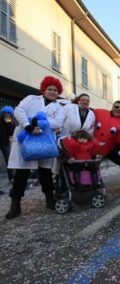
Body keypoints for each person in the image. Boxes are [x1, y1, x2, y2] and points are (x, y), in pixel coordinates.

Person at [6, 76, 65, 219]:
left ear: (58, 93)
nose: (52, 92)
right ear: (44, 89)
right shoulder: (31, 99)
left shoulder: (59, 107)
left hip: (44, 141)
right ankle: (15, 205)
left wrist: (38, 123)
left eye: (55, 90)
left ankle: (49, 200)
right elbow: (19, 111)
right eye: (49, 89)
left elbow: (58, 123)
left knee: (45, 173)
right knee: (21, 173)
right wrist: (28, 126)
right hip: (26, 139)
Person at [93, 101, 120, 195]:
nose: (118, 109)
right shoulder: (100, 112)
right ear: (112, 107)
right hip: (93, 147)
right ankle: (94, 186)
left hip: (110, 149)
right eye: (117, 107)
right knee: (90, 167)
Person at [0, 106, 15, 188]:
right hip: (4, 142)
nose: (6, 114)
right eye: (5, 113)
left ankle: (11, 177)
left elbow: (11, 132)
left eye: (8, 113)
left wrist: (8, 122)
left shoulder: (9, 121)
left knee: (8, 160)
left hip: (5, 143)